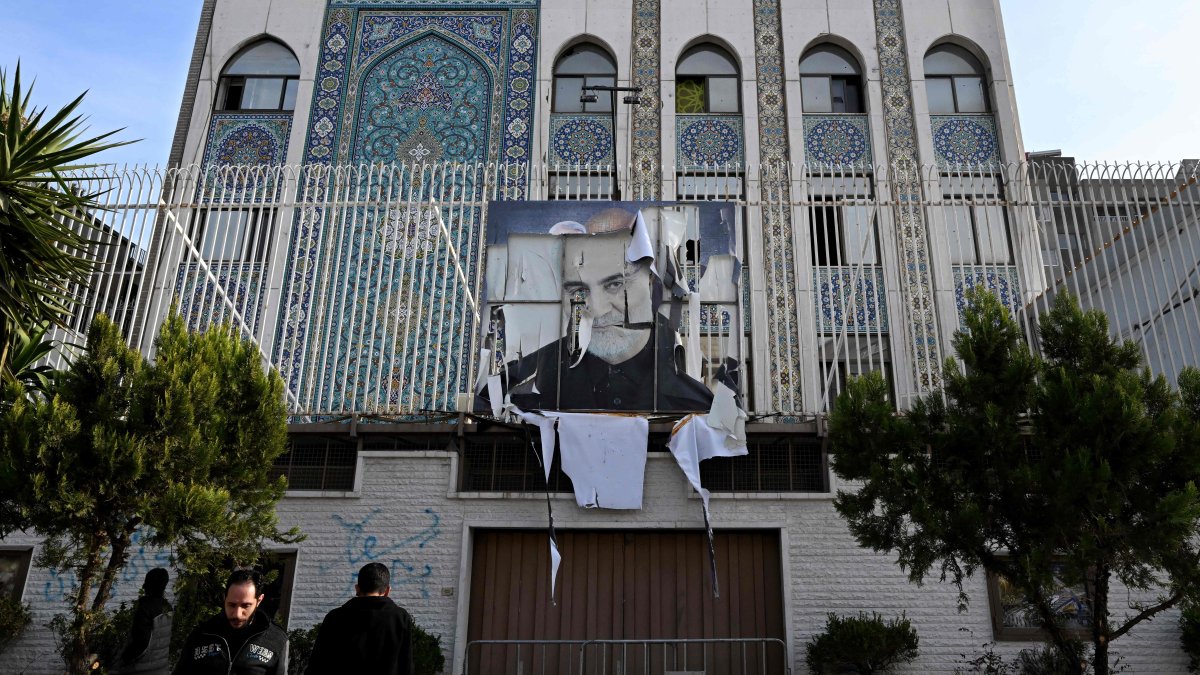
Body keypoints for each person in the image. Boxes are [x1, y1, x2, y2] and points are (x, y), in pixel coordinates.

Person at [486, 209, 714, 412]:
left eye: (615, 285)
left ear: (651, 285)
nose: (596, 308)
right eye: (578, 289)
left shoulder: (695, 402)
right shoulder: (531, 376)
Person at [306, 562, 414, 675]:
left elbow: (318, 663)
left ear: (357, 588)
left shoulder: (335, 617)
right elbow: (406, 663)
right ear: (387, 591)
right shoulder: (401, 618)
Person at [173, 569, 288, 675]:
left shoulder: (276, 639)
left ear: (259, 600)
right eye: (232, 605)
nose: (237, 614)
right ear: (225, 597)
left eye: (245, 606)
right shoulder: (202, 633)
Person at [112, 568, 172, 674]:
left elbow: (141, 643)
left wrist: (124, 659)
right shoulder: (167, 608)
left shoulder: (145, 609)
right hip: (161, 668)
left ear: (149, 585)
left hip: (142, 670)